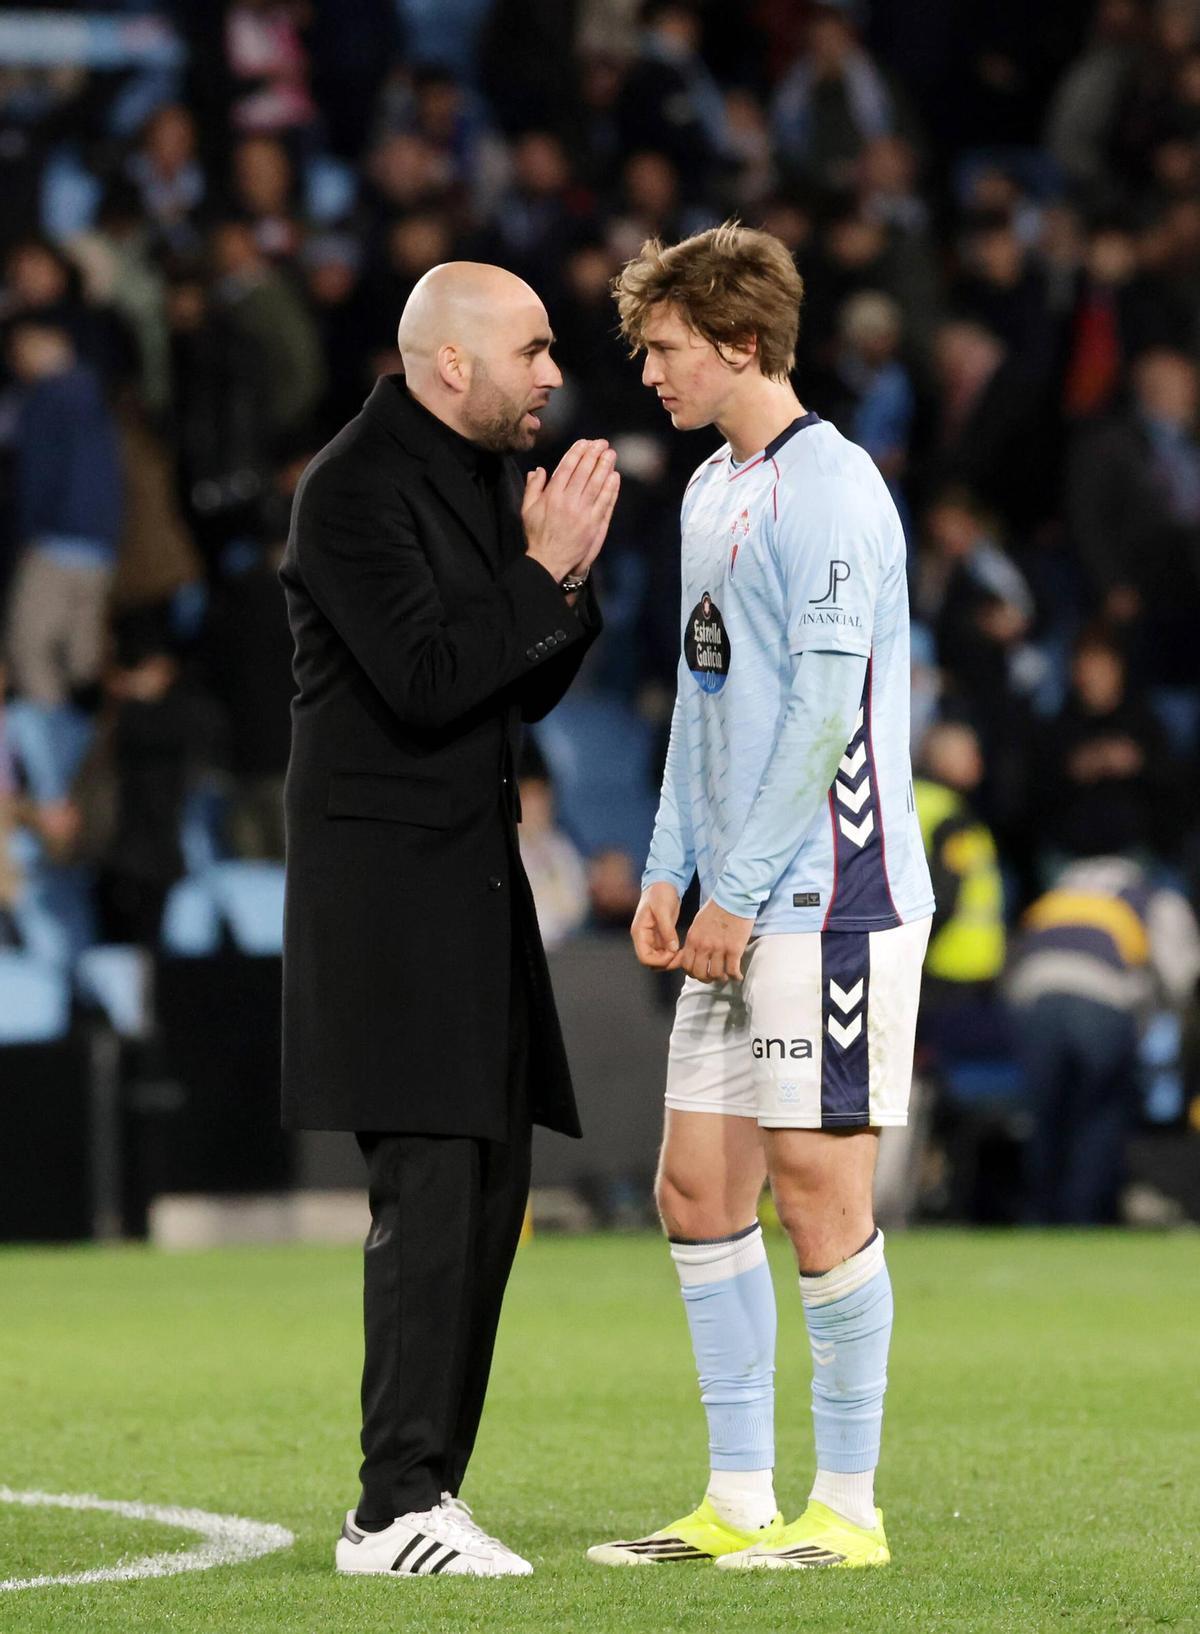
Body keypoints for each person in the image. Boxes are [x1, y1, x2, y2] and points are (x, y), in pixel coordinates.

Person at [588, 223, 933, 1573]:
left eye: (664, 348)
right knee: (693, 1186)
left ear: (741, 340)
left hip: (827, 896)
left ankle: (846, 1508)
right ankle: (739, 1494)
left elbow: (825, 713)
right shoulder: (708, 491)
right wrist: (671, 863)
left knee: (817, 1196)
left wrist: (734, 886)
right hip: (737, 894)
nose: (649, 373)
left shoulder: (834, 489)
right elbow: (707, 701)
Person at [279, 260, 619, 1579]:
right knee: (427, 1188)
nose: (553, 372)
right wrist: (540, 570)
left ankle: (432, 1485)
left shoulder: (475, 477)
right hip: (389, 902)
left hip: (471, 885)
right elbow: (428, 681)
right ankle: (390, 1503)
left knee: (486, 1188)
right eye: (531, 350)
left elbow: (514, 687)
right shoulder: (354, 490)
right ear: (450, 363)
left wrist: (566, 582)